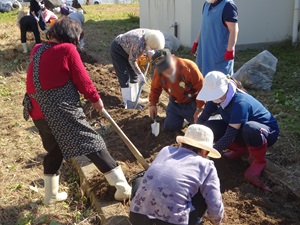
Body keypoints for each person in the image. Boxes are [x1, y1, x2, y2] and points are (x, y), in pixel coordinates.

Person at [22, 17, 131, 206]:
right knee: (93, 142)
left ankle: (51, 195)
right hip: (58, 111)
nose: (77, 42)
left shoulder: (37, 49)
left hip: (37, 111)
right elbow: (83, 80)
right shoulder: (66, 50)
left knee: (54, 151)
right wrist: (96, 101)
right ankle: (123, 188)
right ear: (70, 36)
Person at [196, 71, 279, 191]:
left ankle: (259, 161)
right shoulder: (217, 98)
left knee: (250, 128)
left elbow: (230, 135)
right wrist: (192, 141)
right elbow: (203, 118)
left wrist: (207, 154)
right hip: (240, 130)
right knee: (209, 127)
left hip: (264, 132)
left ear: (223, 90)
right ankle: (241, 149)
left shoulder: (240, 102)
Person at [130, 124, 224, 225]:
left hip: (138, 218)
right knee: (204, 194)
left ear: (183, 142)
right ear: (205, 150)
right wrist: (217, 220)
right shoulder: (206, 165)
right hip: (172, 222)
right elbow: (214, 200)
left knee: (140, 180)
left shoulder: (166, 150)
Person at [149, 49, 205, 131]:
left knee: (199, 128)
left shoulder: (189, 67)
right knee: (170, 127)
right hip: (175, 103)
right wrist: (152, 104)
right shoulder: (158, 72)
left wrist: (200, 108)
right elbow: (155, 88)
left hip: (192, 102)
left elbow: (201, 88)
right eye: (163, 68)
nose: (166, 70)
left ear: (173, 57)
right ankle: (183, 120)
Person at [111, 28, 165, 108]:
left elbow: (135, 56)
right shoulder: (138, 43)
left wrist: (150, 52)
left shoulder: (151, 35)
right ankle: (127, 102)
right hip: (118, 49)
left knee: (134, 75)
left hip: (129, 50)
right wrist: (140, 74)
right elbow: (132, 60)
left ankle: (135, 98)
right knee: (124, 76)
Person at [192, 0, 239, 76]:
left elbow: (234, 29)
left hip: (218, 52)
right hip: (204, 50)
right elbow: (204, 24)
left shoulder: (228, 6)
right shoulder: (207, 4)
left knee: (219, 80)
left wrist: (230, 50)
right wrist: (196, 41)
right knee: (202, 76)